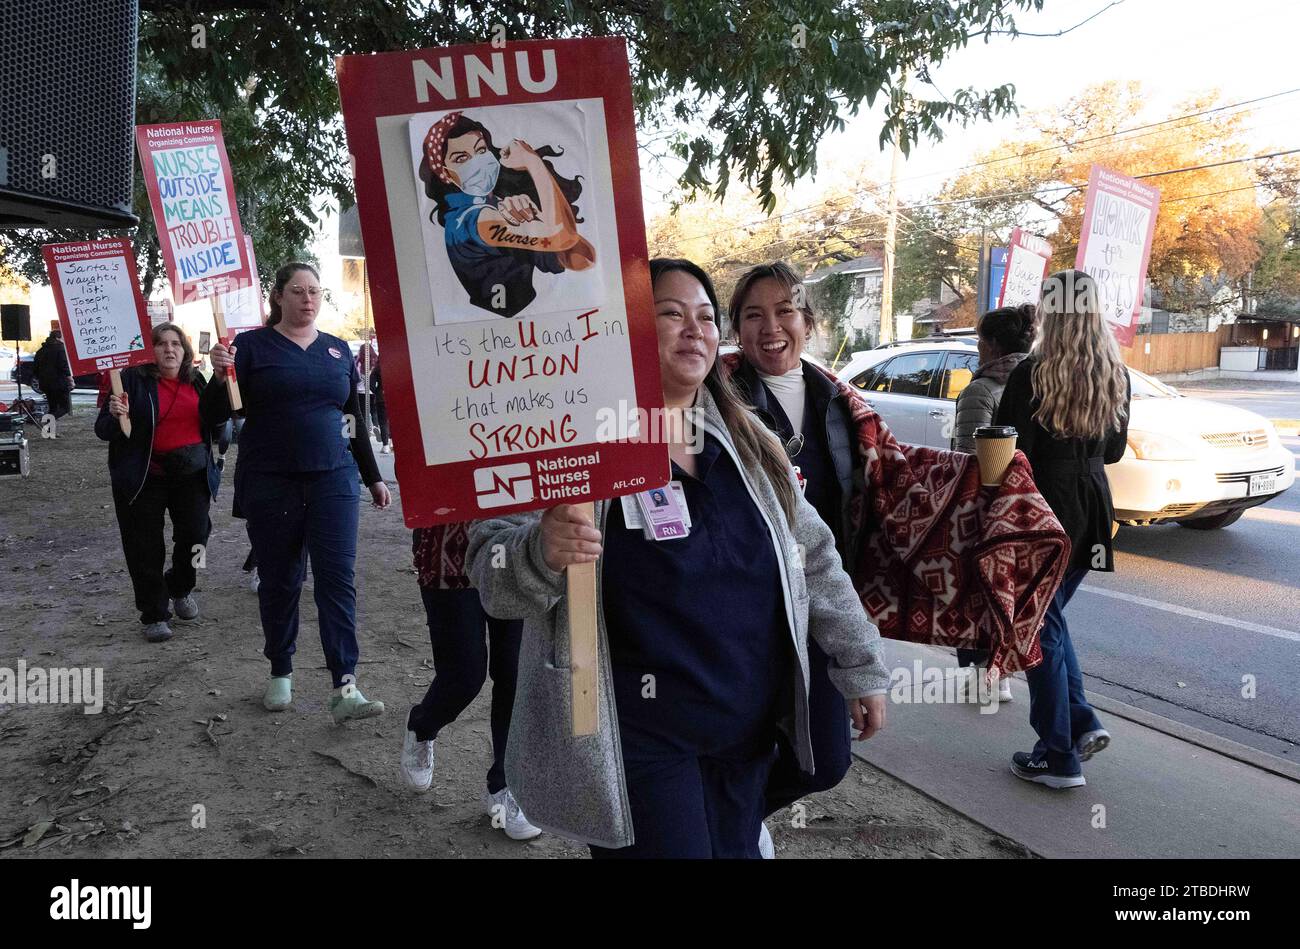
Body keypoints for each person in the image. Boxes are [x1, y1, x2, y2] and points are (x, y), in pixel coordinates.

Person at [467, 257, 889, 858]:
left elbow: (815, 557)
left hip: (742, 731)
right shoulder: (565, 440)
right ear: (624, 329)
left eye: (706, 317)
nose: (695, 329)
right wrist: (539, 552)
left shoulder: (750, 442)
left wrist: (860, 661)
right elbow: (491, 572)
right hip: (634, 741)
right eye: (670, 313)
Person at [724, 261, 869, 849]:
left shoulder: (840, 399)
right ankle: (730, 822)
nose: (771, 326)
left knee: (826, 760)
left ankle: (739, 812)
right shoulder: (716, 396)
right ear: (735, 329)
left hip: (821, 604)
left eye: (785, 310)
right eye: (753, 315)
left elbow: (887, 482)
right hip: (750, 614)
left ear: (808, 321)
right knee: (748, 737)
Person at [211, 261, 393, 723]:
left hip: (334, 479)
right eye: (297, 291)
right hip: (272, 481)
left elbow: (354, 419)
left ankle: (345, 685)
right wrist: (219, 376)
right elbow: (218, 414)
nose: (307, 299)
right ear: (278, 297)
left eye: (314, 291)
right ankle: (280, 672)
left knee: (337, 580)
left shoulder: (337, 350)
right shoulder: (248, 347)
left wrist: (372, 476)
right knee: (281, 579)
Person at [995, 270, 1130, 788]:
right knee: (1050, 622)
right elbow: (1114, 451)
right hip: (1095, 508)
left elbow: (1010, 452)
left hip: (1043, 509)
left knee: (1038, 628)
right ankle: (1078, 726)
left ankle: (1059, 754)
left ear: (1050, 311)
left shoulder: (1034, 371)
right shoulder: (1115, 371)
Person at [398, 524, 539, 841]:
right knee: (463, 675)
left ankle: (505, 785)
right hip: (448, 545)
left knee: (515, 672)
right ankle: (422, 725)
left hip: (516, 542)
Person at [94, 323, 231, 642]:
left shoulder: (196, 381)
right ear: (148, 351)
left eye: (175, 344)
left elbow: (217, 418)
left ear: (185, 352)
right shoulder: (129, 380)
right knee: (144, 546)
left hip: (192, 474)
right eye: (160, 344)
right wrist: (115, 416)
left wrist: (223, 385)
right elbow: (102, 430)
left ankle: (181, 585)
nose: (169, 349)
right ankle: (154, 613)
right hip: (144, 478)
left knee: (197, 536)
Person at [418, 111, 595, 318]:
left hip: (536, 320)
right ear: (445, 174)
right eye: (461, 158)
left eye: (481, 150)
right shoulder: (469, 220)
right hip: (493, 330)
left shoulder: (495, 205)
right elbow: (560, 236)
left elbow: (580, 258)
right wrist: (534, 164)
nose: (477, 162)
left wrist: (536, 219)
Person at [950, 302, 1037, 701]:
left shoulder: (981, 389)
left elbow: (969, 454)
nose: (977, 347)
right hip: (1025, 504)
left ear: (992, 345)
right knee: (1008, 591)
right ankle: (1001, 674)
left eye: (980, 340)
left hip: (984, 504)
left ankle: (981, 678)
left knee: (972, 592)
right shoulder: (1041, 381)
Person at [34, 328, 74, 420]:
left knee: (53, 408)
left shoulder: (41, 350)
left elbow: (35, 368)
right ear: (58, 338)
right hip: (59, 383)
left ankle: (50, 432)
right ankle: (47, 419)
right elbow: (64, 366)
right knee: (65, 408)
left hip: (45, 383)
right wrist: (71, 380)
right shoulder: (60, 348)